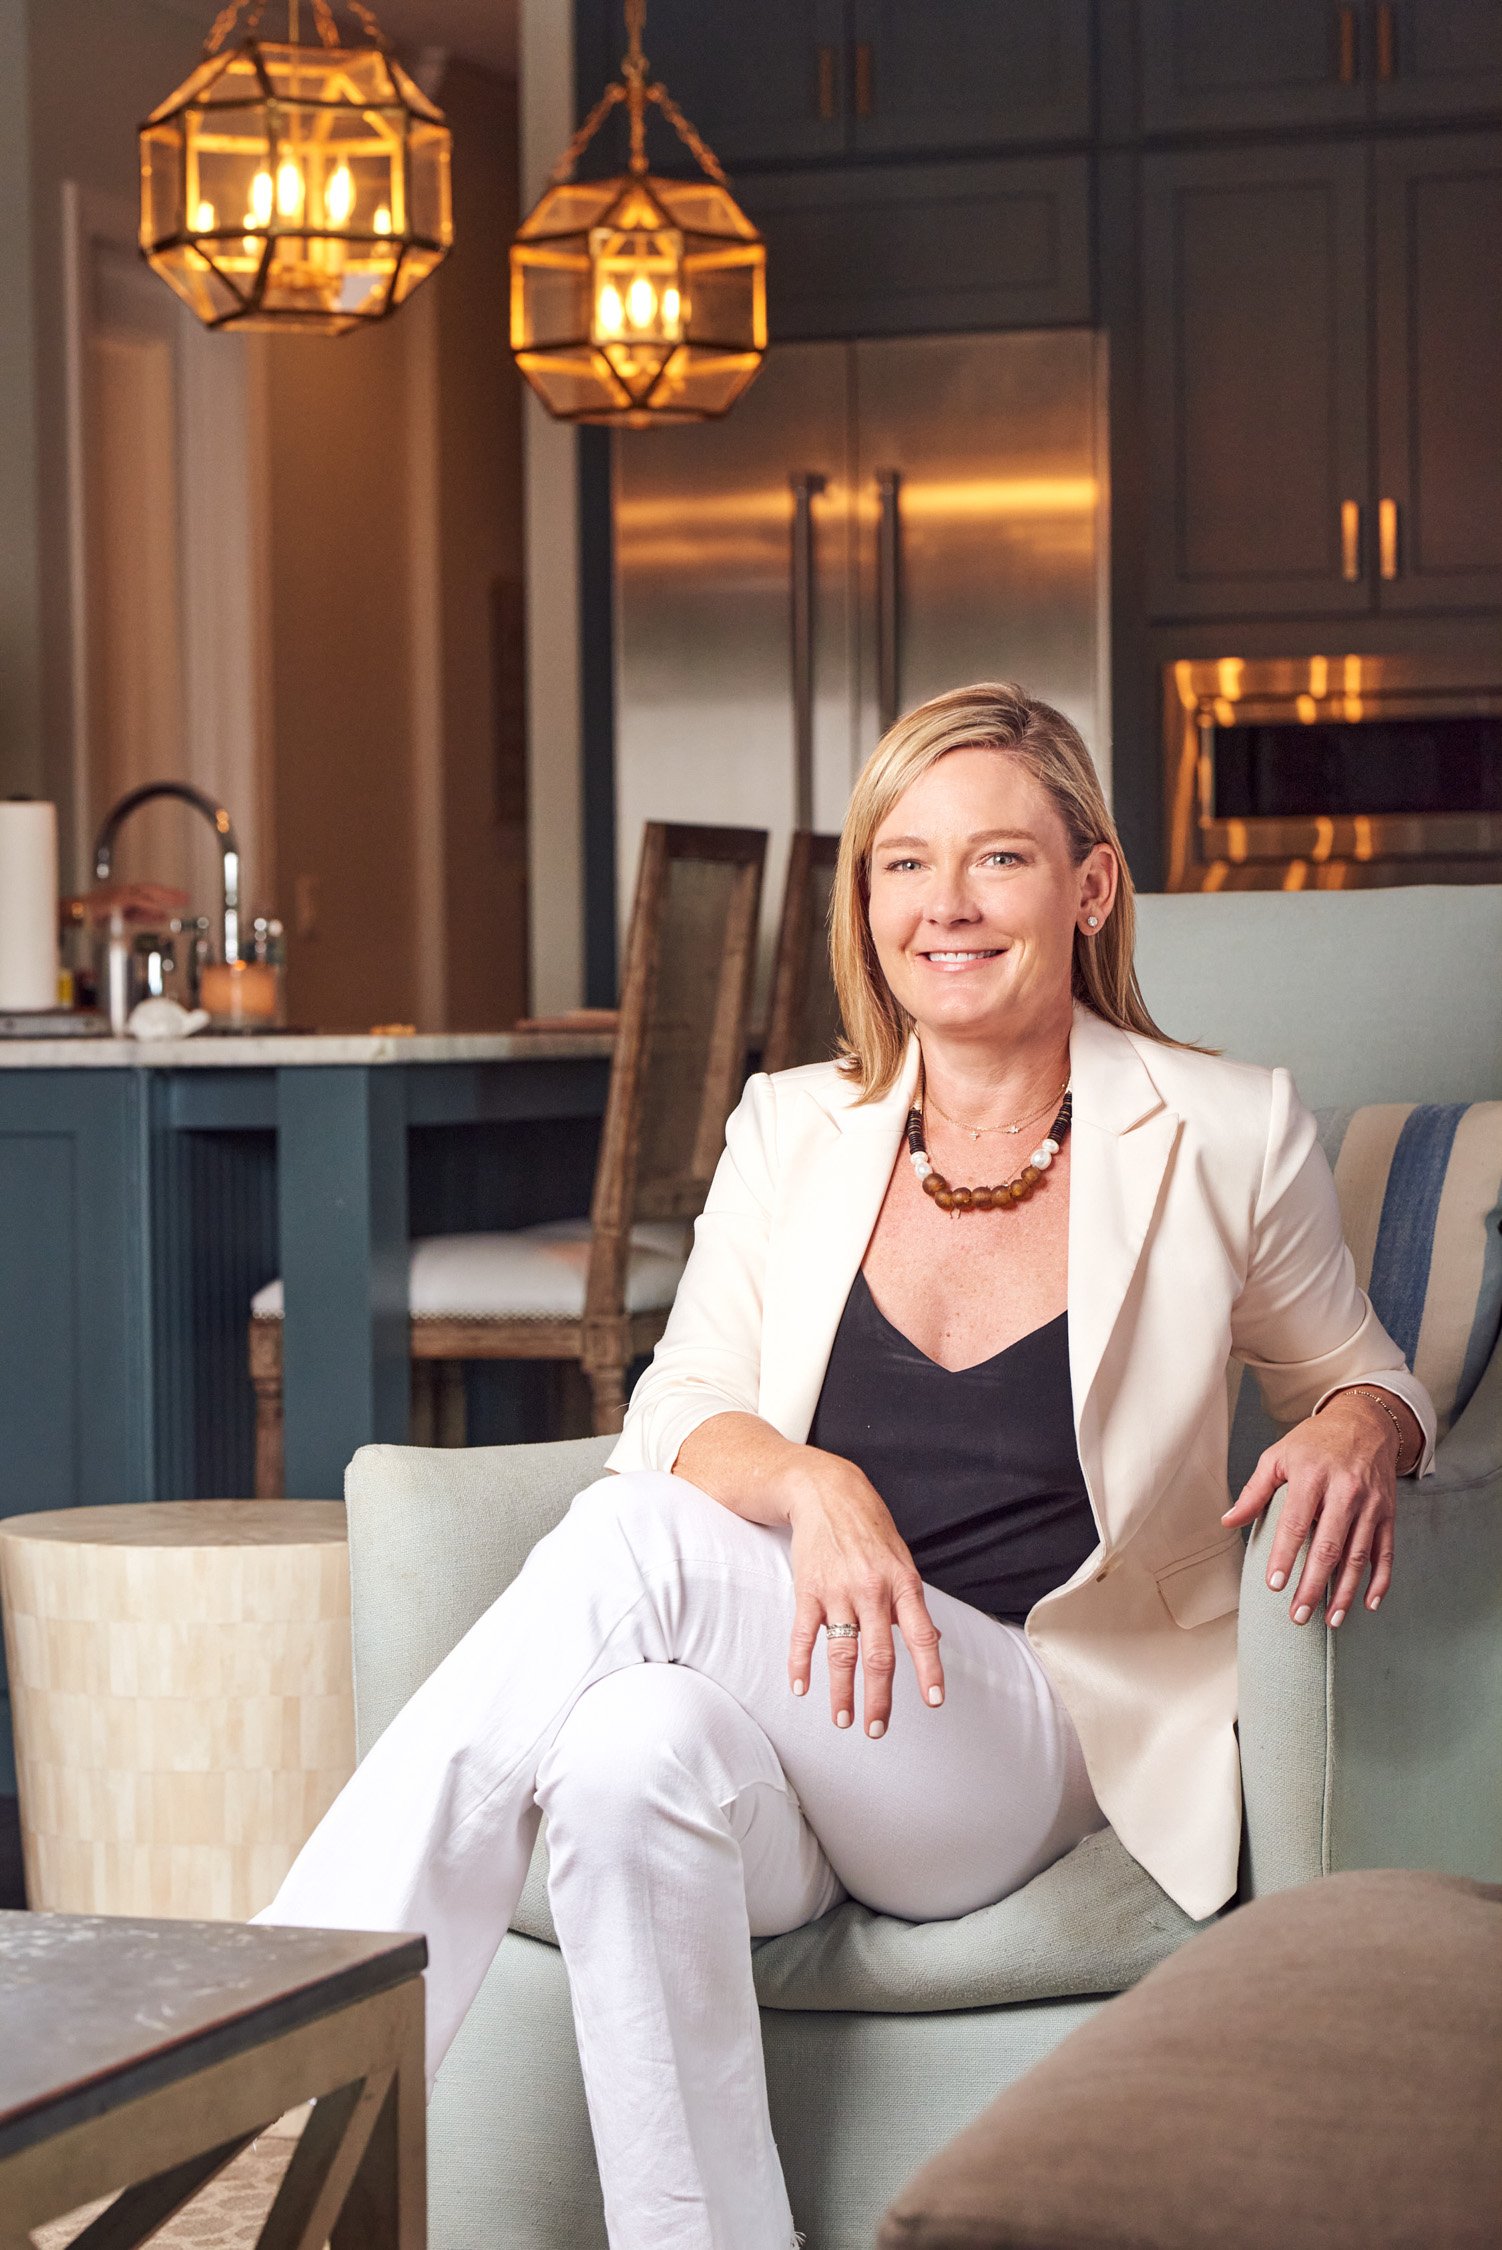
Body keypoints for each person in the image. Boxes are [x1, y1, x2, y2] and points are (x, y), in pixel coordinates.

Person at [257, 683, 1434, 2250]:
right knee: (620, 1757)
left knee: (631, 1543)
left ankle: (266, 2073)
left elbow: (1360, 1368)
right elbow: (679, 1405)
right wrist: (817, 1487)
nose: (945, 904)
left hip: (1031, 1729)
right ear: (865, 900)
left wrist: (1359, 1424)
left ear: (1087, 887)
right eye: (901, 862)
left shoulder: (1221, 1127)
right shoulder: (793, 1125)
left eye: (997, 858)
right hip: (804, 1721)